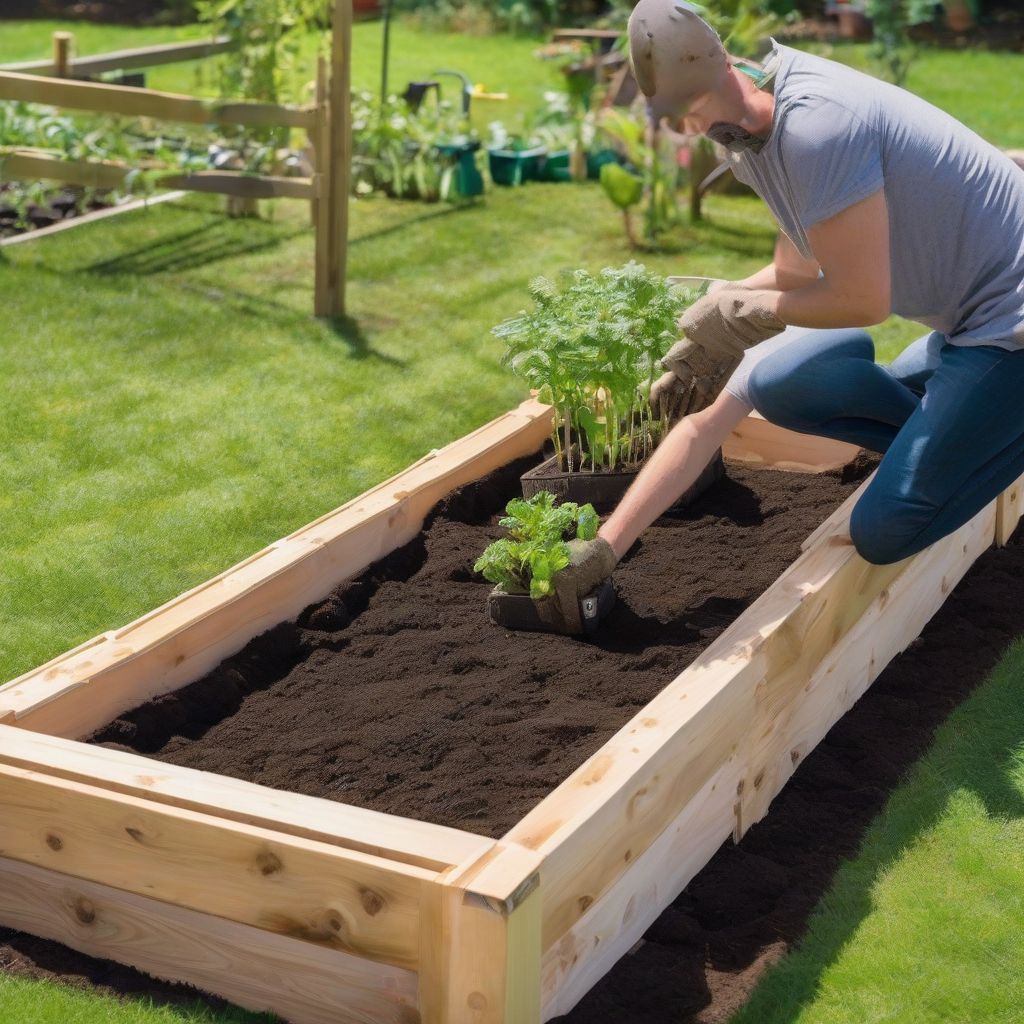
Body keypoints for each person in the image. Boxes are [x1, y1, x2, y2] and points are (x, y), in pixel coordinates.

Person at [540, 0, 1024, 634]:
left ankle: (977, 439)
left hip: (1007, 327)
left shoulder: (817, 128)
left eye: (681, 115)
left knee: (882, 529)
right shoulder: (751, 134)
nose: (682, 132)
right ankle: (961, 434)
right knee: (778, 383)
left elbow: (862, 302)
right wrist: (607, 544)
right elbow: (794, 279)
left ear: (708, 87)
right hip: (964, 324)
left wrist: (736, 314)